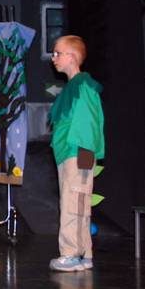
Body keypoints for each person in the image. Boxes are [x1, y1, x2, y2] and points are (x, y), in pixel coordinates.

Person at [48, 35, 105, 272]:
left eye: (57, 53)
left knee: (74, 201)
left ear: (72, 57)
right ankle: (84, 254)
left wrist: (84, 155)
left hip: (79, 151)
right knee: (76, 201)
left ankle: (71, 253)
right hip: (68, 153)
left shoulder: (83, 85)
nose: (53, 57)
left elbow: (90, 123)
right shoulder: (72, 87)